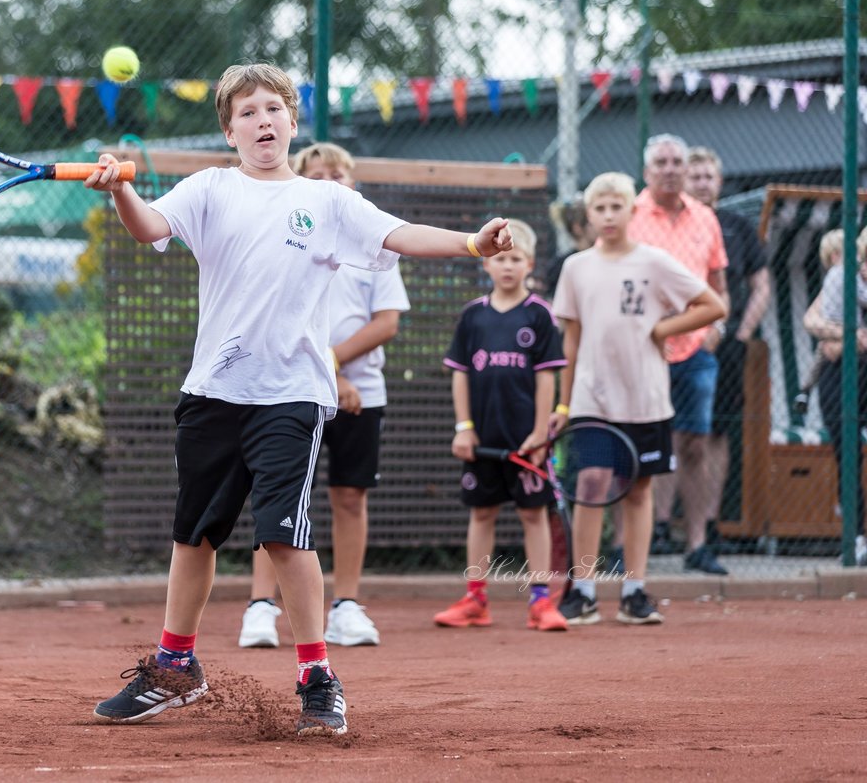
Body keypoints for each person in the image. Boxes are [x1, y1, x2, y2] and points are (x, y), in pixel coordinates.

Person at [83, 62, 513, 735]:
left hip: (292, 395)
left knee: (285, 535)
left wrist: (469, 242)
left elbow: (398, 233)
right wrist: (118, 192)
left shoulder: (329, 202)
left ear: (291, 121)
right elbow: (148, 226)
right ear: (229, 130)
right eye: (248, 112)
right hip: (213, 392)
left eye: (273, 109)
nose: (263, 121)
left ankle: (317, 674)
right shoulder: (211, 188)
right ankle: (175, 667)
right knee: (193, 533)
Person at [237, 142, 410, 650]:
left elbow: (387, 322)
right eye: (320, 174)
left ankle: (347, 606)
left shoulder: (378, 242)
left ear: (353, 184)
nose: (331, 180)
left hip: (363, 394)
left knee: (350, 496)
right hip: (290, 389)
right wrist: (329, 375)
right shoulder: (288, 235)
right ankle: (260, 607)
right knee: (279, 498)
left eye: (340, 173)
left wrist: (335, 367)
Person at [553, 172, 725, 625]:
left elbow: (713, 305)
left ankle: (634, 591)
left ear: (632, 211)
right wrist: (563, 405)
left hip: (646, 397)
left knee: (639, 489)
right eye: (599, 208)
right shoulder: (576, 267)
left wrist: (663, 329)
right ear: (588, 215)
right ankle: (583, 591)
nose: (608, 216)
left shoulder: (655, 262)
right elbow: (569, 342)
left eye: (617, 207)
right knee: (590, 484)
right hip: (593, 398)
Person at [432, 219, 570, 632]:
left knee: (534, 516)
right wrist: (464, 426)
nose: (508, 266)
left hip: (526, 442)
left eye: (517, 259)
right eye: (502, 258)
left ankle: (541, 601)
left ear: (529, 265)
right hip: (483, 440)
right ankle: (476, 598)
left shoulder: (541, 315)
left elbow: (547, 376)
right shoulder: (473, 316)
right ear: (488, 264)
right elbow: (459, 374)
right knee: (482, 514)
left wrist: (540, 434)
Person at [628, 134, 730, 575]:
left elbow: (720, 288)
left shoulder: (706, 218)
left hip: (696, 350)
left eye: (677, 162)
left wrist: (715, 329)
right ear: (648, 171)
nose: (670, 169)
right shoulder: (629, 215)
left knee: (693, 444)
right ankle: (625, 546)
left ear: (687, 170)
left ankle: (697, 545)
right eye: (662, 162)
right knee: (632, 442)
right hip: (641, 348)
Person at [686, 147, 770, 554]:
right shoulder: (673, 226)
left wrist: (742, 332)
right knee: (673, 431)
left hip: (727, 345)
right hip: (676, 342)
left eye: (708, 176)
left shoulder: (738, 227)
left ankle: (710, 525)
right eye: (695, 176)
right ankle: (664, 527)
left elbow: (761, 285)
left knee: (716, 433)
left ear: (719, 181)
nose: (702, 183)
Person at [803, 228, 867, 566]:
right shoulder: (840, 283)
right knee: (849, 452)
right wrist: (853, 335)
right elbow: (813, 323)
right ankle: (855, 538)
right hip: (839, 378)